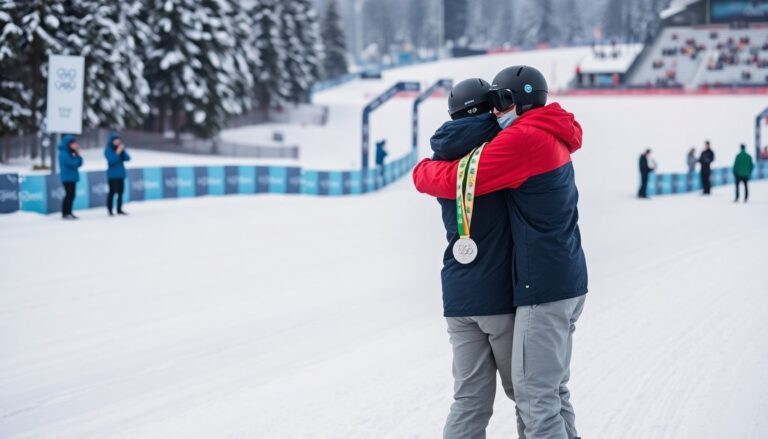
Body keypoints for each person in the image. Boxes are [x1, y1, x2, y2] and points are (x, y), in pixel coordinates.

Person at [414, 65, 587, 439]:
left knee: (528, 397)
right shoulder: (544, 132)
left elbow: (454, 179)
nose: (497, 112)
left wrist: (422, 170)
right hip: (555, 281)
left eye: (502, 101)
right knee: (548, 392)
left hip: (537, 289)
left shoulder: (522, 141)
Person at [428, 78, 521, 438]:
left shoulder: (442, 156)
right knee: (528, 395)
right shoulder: (500, 148)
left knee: (469, 401)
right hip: (499, 296)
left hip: (458, 297)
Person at [104, 132, 131, 216]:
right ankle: (110, 210)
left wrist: (122, 151)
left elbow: (128, 158)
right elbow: (111, 160)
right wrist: (118, 152)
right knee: (112, 193)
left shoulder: (120, 150)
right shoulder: (108, 150)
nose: (117, 142)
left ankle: (119, 209)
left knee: (120, 193)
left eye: (119, 140)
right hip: (112, 176)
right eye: (116, 140)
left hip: (121, 175)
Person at [58, 135, 83, 220]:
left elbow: (79, 163)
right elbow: (73, 163)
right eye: (72, 143)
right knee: (69, 195)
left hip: (72, 177)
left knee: (71, 195)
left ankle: (69, 212)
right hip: (67, 178)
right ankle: (65, 213)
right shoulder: (64, 153)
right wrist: (77, 155)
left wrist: (78, 155)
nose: (74, 145)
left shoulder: (70, 153)